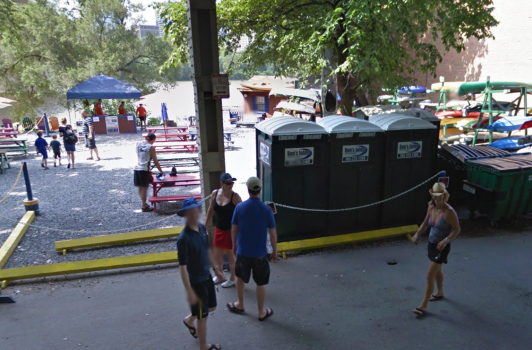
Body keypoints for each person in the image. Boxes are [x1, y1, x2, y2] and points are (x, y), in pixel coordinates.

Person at [227, 177, 277, 321]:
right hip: (260, 253)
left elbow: (234, 229)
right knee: (260, 282)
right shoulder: (266, 210)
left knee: (240, 278)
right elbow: (273, 235)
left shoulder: (240, 207)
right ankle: (261, 312)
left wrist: (234, 245)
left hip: (243, 252)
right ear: (260, 190)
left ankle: (240, 304)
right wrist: (274, 251)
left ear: (248, 190)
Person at [177, 197, 222, 350]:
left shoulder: (202, 229)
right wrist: (189, 290)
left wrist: (215, 269)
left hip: (207, 276)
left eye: (196, 211)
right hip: (196, 282)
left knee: (212, 307)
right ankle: (204, 346)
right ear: (185, 215)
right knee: (203, 317)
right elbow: (182, 267)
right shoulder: (184, 239)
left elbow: (207, 250)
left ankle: (189, 319)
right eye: (190, 213)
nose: (194, 215)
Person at [411, 182, 461, 316]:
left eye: (440, 196)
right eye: (435, 196)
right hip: (432, 245)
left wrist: (446, 240)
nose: (437, 199)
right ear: (432, 195)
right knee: (437, 270)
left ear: (444, 195)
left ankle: (423, 305)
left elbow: (457, 229)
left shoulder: (449, 212)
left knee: (430, 275)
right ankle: (440, 292)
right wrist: (417, 234)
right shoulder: (431, 208)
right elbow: (424, 223)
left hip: (442, 247)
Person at [205, 173, 242, 288]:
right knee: (217, 253)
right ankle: (220, 275)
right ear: (222, 184)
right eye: (228, 183)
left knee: (231, 255)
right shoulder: (215, 194)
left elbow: (243, 213)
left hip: (231, 230)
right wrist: (205, 224)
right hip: (219, 228)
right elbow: (211, 209)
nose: (231, 185)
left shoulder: (235, 197)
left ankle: (232, 278)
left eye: (232, 183)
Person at [134, 133, 164, 212]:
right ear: (153, 139)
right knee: (144, 188)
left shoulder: (138, 144)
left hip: (137, 168)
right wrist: (161, 171)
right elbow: (156, 161)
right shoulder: (151, 147)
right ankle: (144, 206)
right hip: (144, 169)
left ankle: (143, 203)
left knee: (140, 187)